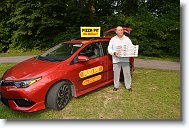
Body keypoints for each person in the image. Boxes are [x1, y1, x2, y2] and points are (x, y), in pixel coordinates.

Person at [108, 26, 133, 92]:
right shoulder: (113, 39)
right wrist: (114, 52)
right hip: (116, 60)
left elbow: (131, 47)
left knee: (127, 74)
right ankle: (116, 86)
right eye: (119, 30)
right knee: (116, 74)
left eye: (121, 30)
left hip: (125, 60)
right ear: (116, 32)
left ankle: (128, 86)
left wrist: (132, 51)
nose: (121, 31)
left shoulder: (127, 39)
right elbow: (109, 49)